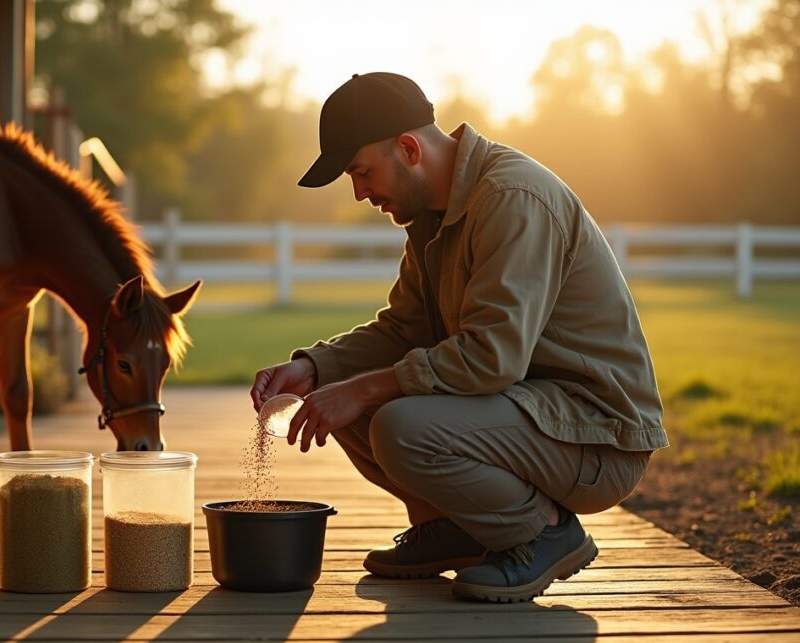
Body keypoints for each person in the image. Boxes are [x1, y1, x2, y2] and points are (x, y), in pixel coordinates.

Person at [250, 72, 667, 603]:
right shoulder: (432, 216)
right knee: (346, 390)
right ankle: (455, 528)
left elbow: (493, 358)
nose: (358, 193)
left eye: (360, 171)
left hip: (594, 434)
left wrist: (362, 389)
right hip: (526, 414)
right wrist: (315, 369)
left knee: (400, 422)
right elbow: (403, 330)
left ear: (407, 148)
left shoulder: (513, 197)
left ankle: (541, 533)